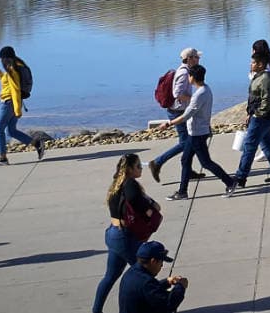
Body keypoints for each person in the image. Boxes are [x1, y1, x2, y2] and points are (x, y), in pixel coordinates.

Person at [159, 64, 237, 198]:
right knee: (185, 160)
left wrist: (168, 123)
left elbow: (186, 116)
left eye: (189, 75)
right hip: (194, 133)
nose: (188, 78)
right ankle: (182, 192)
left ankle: (230, 182)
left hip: (198, 134)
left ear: (192, 77)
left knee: (206, 163)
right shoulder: (206, 89)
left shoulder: (199, 95)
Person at [95, 152, 160, 313]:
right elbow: (133, 199)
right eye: (138, 166)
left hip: (113, 234)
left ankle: (96, 310)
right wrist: (150, 211)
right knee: (145, 272)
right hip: (125, 237)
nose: (141, 169)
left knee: (110, 277)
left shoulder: (117, 183)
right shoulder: (130, 183)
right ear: (130, 169)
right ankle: (161, 305)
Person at [231, 47, 270, 186]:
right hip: (260, 117)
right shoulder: (260, 76)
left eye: (253, 63)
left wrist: (257, 114)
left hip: (262, 118)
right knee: (268, 144)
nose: (251, 65)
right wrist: (250, 113)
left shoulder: (266, 78)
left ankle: (240, 176)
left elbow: (267, 101)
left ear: (261, 64)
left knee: (249, 146)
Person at [147, 48, 200, 183]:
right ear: (188, 59)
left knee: (190, 142)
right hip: (177, 111)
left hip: (179, 110)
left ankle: (187, 170)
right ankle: (157, 162)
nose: (198, 59)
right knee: (185, 143)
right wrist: (194, 98)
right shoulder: (183, 73)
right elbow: (177, 94)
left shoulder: (186, 71)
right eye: (196, 57)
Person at [0, 44, 45, 165]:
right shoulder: (16, 66)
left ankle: (3, 158)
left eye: (2, 59)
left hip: (9, 103)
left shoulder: (13, 70)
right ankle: (37, 144)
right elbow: (8, 83)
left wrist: (17, 110)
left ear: (6, 58)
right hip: (15, 102)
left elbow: (15, 90)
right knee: (11, 131)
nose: (1, 62)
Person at [116, 240, 187, 312]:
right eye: (161, 262)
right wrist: (181, 286)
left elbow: (148, 290)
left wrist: (167, 282)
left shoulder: (132, 272)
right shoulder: (146, 282)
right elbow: (169, 304)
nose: (162, 265)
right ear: (153, 261)